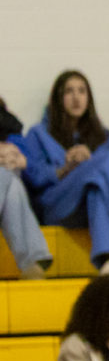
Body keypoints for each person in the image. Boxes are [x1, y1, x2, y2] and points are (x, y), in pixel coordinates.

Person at [18, 72, 109, 275]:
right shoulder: (38, 134)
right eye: (68, 91)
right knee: (104, 161)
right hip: (57, 206)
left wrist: (89, 163)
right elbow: (33, 176)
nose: (76, 97)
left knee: (97, 187)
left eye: (82, 91)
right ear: (57, 99)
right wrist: (65, 169)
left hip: (89, 206)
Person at [0, 92, 52, 275]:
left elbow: (39, 175)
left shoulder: (9, 129)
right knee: (6, 177)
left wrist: (21, 161)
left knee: (10, 178)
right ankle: (33, 259)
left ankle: (32, 262)